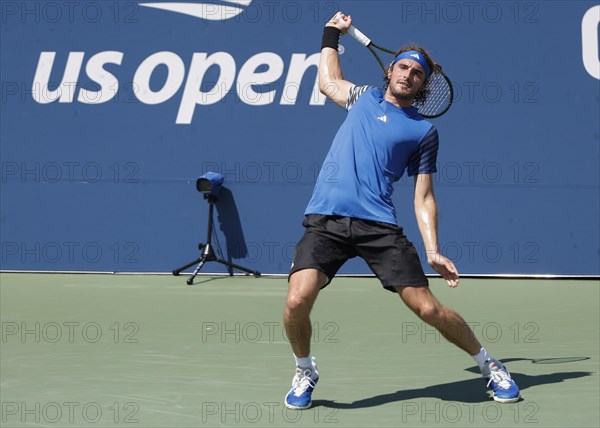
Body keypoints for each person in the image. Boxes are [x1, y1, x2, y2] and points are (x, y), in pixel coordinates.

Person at [282, 12, 520, 410]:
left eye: (417, 73)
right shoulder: (362, 98)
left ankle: (489, 364)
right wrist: (330, 34)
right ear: (390, 70)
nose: (408, 74)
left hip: (379, 226)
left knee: (427, 307)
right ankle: (305, 369)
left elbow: (423, 196)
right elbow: (327, 82)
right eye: (404, 66)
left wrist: (433, 249)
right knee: (295, 300)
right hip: (326, 221)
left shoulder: (423, 131)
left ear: (423, 85)